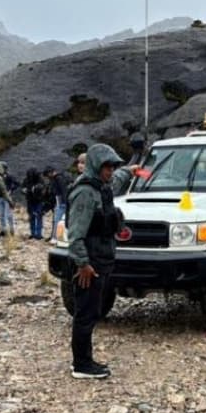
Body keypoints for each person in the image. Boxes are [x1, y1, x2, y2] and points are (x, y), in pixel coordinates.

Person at [66, 144, 134, 379]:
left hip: (100, 260)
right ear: (96, 166)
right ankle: (82, 365)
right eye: (107, 166)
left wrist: (130, 170)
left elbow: (117, 180)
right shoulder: (85, 193)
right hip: (89, 265)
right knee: (85, 314)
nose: (110, 171)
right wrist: (83, 264)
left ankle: (83, 360)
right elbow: (75, 235)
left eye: (113, 166)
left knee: (92, 311)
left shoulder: (102, 187)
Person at [44, 165, 71, 241]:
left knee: (58, 220)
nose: (47, 177)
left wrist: (65, 203)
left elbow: (63, 191)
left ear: (50, 173)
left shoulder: (58, 179)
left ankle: (55, 238)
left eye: (47, 175)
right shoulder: (57, 178)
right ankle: (56, 237)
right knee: (58, 220)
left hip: (61, 203)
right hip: (60, 202)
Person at [0, 161, 17, 237]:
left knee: (8, 214)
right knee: (1, 215)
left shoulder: (10, 176)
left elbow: (16, 184)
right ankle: (4, 230)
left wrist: (11, 190)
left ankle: (11, 230)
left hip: (7, 197)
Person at [21, 168, 46, 240]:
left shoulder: (40, 180)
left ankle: (38, 234)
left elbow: (43, 189)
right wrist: (24, 190)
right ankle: (34, 234)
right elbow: (22, 188)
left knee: (38, 216)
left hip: (38, 200)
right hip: (31, 200)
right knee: (33, 217)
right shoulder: (27, 180)